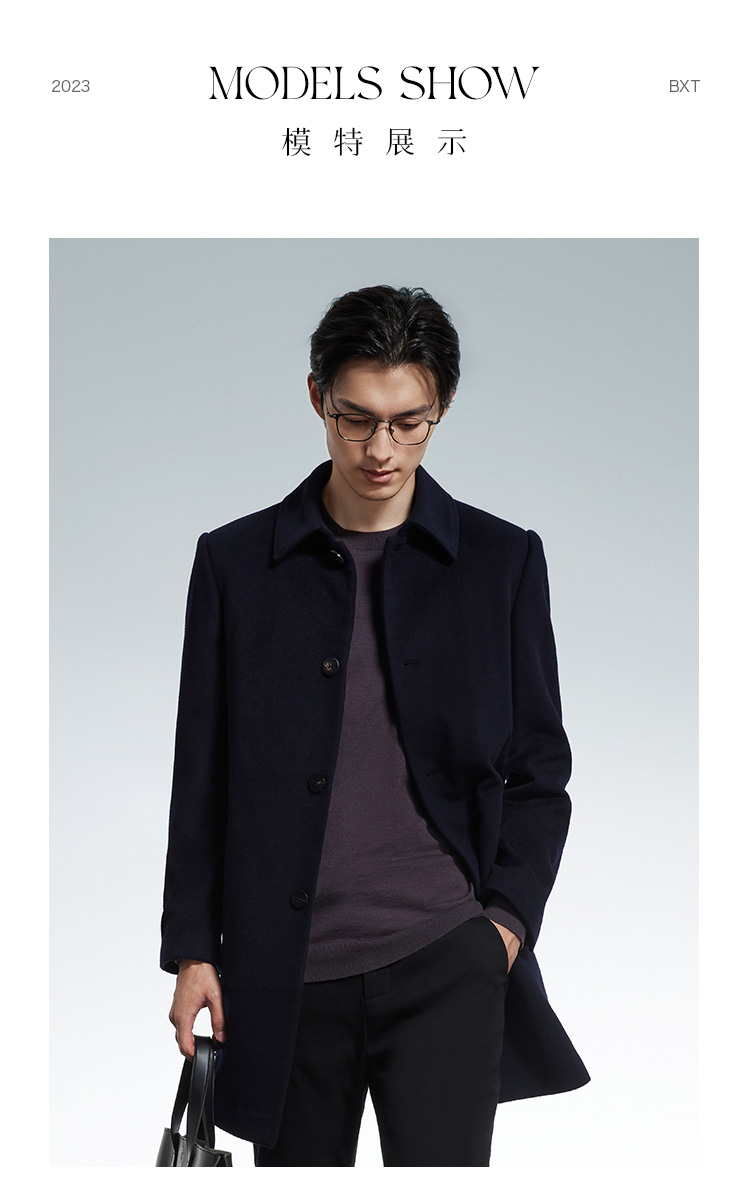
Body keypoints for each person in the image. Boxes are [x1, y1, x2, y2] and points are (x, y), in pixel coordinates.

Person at [160, 284, 589, 1167]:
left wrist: (504, 925)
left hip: (446, 962)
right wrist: (193, 949)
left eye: (408, 421)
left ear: (443, 407)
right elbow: (201, 774)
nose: (380, 448)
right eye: (355, 418)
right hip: (284, 976)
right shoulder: (235, 564)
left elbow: (540, 769)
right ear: (316, 397)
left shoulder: (502, 562)